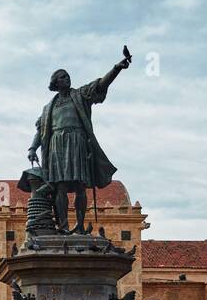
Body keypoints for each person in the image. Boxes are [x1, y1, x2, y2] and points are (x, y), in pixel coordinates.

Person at [28, 52, 131, 234]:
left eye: (67, 76)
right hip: (56, 146)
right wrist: (32, 148)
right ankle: (64, 227)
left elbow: (100, 85)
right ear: (55, 83)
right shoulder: (48, 108)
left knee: (80, 186)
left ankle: (81, 225)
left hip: (77, 142)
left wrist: (116, 68)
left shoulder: (80, 95)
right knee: (59, 187)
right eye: (62, 77)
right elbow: (40, 130)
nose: (66, 79)